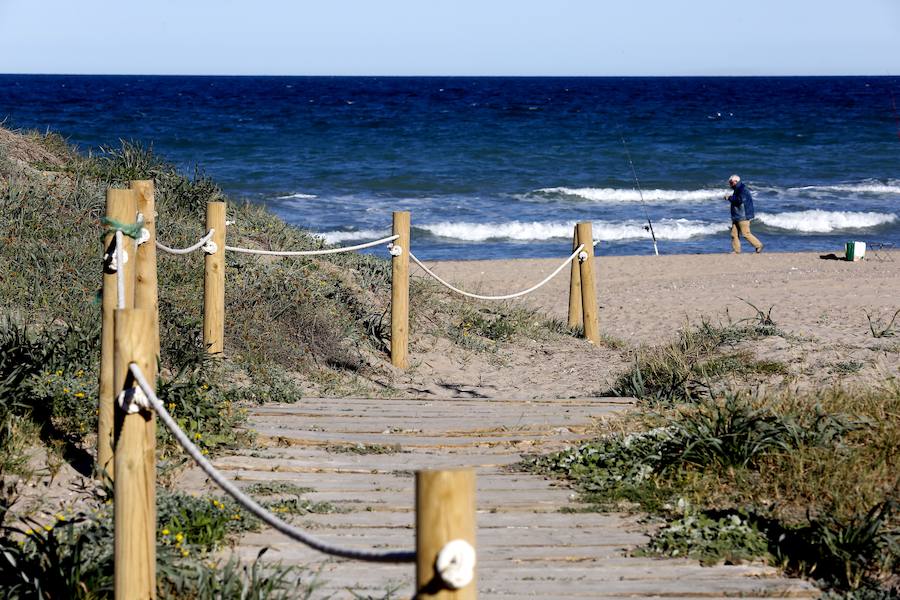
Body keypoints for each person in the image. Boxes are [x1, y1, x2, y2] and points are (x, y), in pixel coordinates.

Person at [725, 174, 763, 254]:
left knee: (746, 233)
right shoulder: (737, 189)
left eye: (731, 182)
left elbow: (739, 200)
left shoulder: (742, 189)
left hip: (743, 215)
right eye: (730, 182)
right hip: (736, 215)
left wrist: (729, 198)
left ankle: (758, 245)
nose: (730, 184)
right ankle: (736, 251)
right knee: (734, 234)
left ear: (736, 181)